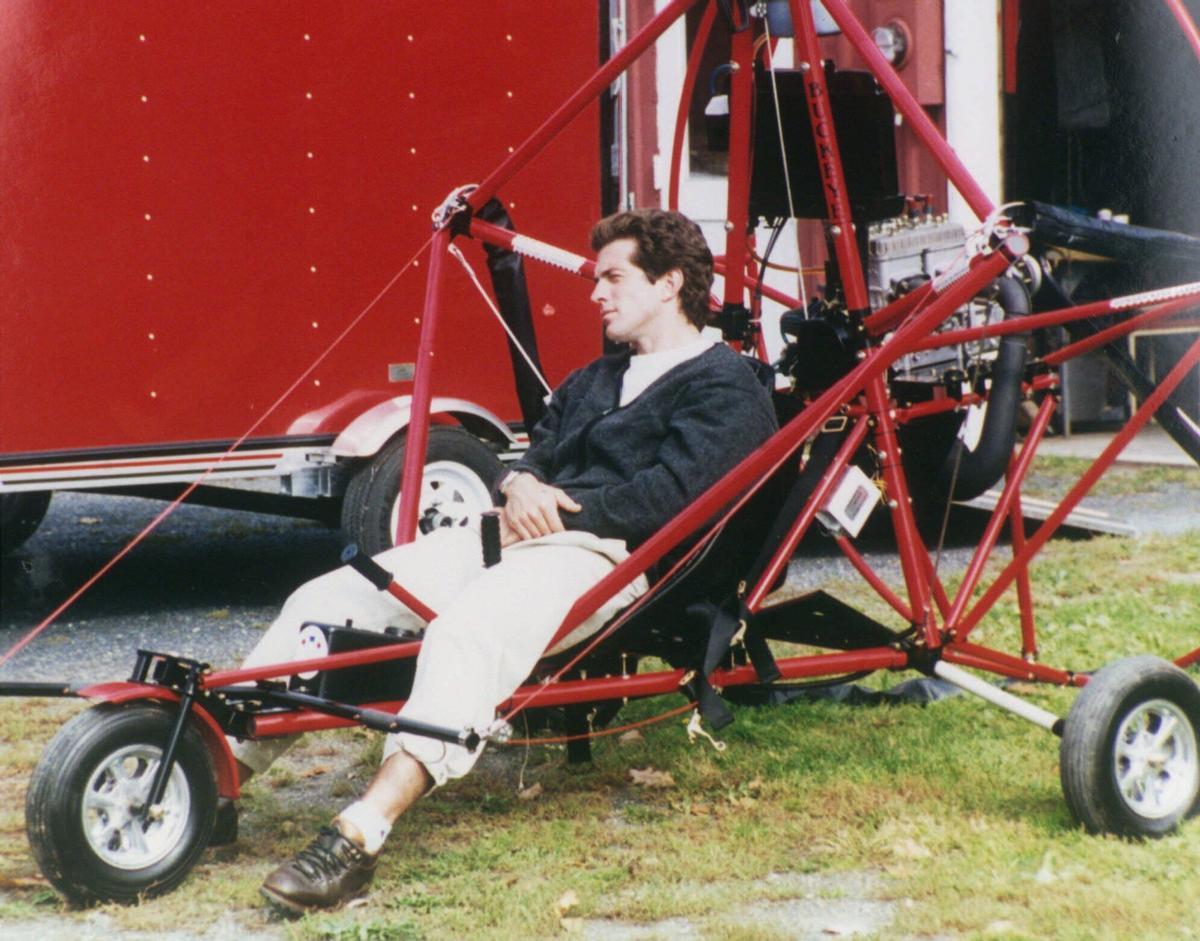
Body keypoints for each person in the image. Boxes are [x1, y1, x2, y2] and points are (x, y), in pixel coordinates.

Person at [231, 208, 778, 914]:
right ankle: (219, 777)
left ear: (670, 282)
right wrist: (517, 485)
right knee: (328, 596)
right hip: (516, 531)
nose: (595, 293)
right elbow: (533, 457)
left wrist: (550, 506)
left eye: (613, 277)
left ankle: (358, 835)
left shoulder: (724, 385)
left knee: (466, 632)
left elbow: (672, 500)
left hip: (607, 556)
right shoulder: (596, 376)